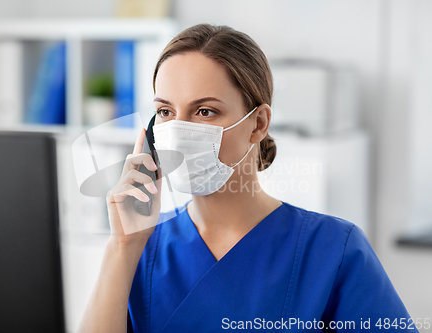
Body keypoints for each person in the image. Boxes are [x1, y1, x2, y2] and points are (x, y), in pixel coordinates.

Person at [79, 24, 418, 333]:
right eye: (166, 112)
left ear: (258, 124)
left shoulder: (332, 250)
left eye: (205, 111)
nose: (178, 131)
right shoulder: (140, 248)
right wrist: (122, 246)